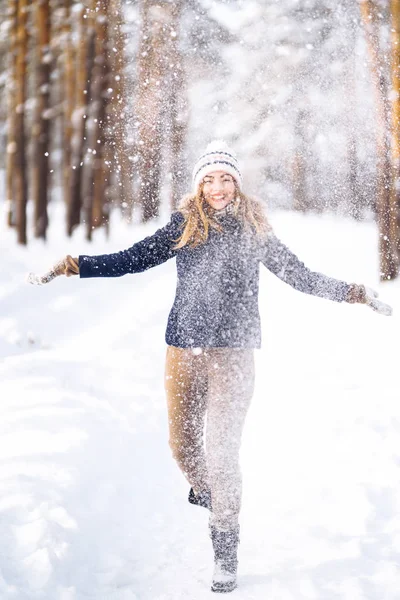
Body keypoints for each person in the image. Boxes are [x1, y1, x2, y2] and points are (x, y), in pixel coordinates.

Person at [42, 141, 392, 594]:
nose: (218, 187)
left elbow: (300, 275)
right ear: (199, 185)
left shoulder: (255, 231)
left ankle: (225, 550)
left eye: (225, 178)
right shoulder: (184, 225)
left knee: (223, 455)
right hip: (183, 351)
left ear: (238, 184)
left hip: (234, 353)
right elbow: (131, 260)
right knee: (182, 445)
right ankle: (209, 494)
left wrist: (356, 293)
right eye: (209, 179)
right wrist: (74, 265)